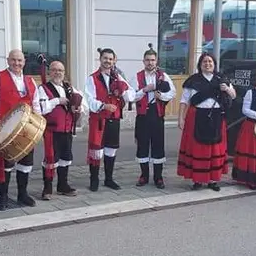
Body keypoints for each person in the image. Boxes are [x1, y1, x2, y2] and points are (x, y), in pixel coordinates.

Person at [0, 49, 42, 208]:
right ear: (8, 60)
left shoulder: (30, 81)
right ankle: (3, 196)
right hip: (5, 130)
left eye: (20, 61)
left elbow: (36, 106)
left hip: (26, 130)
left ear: (24, 62)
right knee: (5, 164)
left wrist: (38, 124)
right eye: (14, 60)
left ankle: (22, 194)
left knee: (26, 163)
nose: (17, 63)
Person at [177, 53, 236, 191]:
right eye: (204, 61)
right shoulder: (193, 81)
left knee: (215, 149)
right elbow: (184, 101)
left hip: (216, 117)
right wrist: (181, 118)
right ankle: (197, 180)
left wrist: (226, 89)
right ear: (200, 64)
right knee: (198, 149)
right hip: (197, 116)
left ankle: (213, 180)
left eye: (210, 61)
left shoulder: (221, 79)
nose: (207, 64)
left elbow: (233, 95)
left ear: (214, 64)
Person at [85, 48, 137, 192]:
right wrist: (103, 105)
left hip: (114, 119)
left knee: (111, 150)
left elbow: (131, 94)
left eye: (110, 59)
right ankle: (94, 180)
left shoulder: (118, 77)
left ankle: (109, 179)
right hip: (99, 119)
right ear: (100, 59)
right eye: (105, 58)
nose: (107, 61)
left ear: (114, 60)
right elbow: (89, 99)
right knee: (97, 151)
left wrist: (123, 91)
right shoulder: (92, 78)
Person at [130, 43, 176, 189]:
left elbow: (172, 92)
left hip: (157, 115)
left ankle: (158, 177)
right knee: (142, 146)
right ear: (143, 61)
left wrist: (160, 95)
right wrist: (144, 90)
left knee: (158, 146)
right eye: (147, 60)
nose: (150, 62)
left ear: (156, 61)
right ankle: (143, 176)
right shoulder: (136, 77)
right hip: (143, 116)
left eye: (152, 60)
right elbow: (131, 97)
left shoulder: (163, 76)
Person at [38, 60, 86, 200]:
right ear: (49, 72)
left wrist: (78, 108)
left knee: (65, 157)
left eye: (60, 70)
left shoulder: (69, 87)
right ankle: (47, 187)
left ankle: (62, 185)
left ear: (64, 73)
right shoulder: (43, 88)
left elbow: (82, 103)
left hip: (67, 129)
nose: (57, 72)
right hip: (52, 130)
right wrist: (58, 101)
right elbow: (42, 108)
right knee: (51, 159)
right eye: (54, 70)